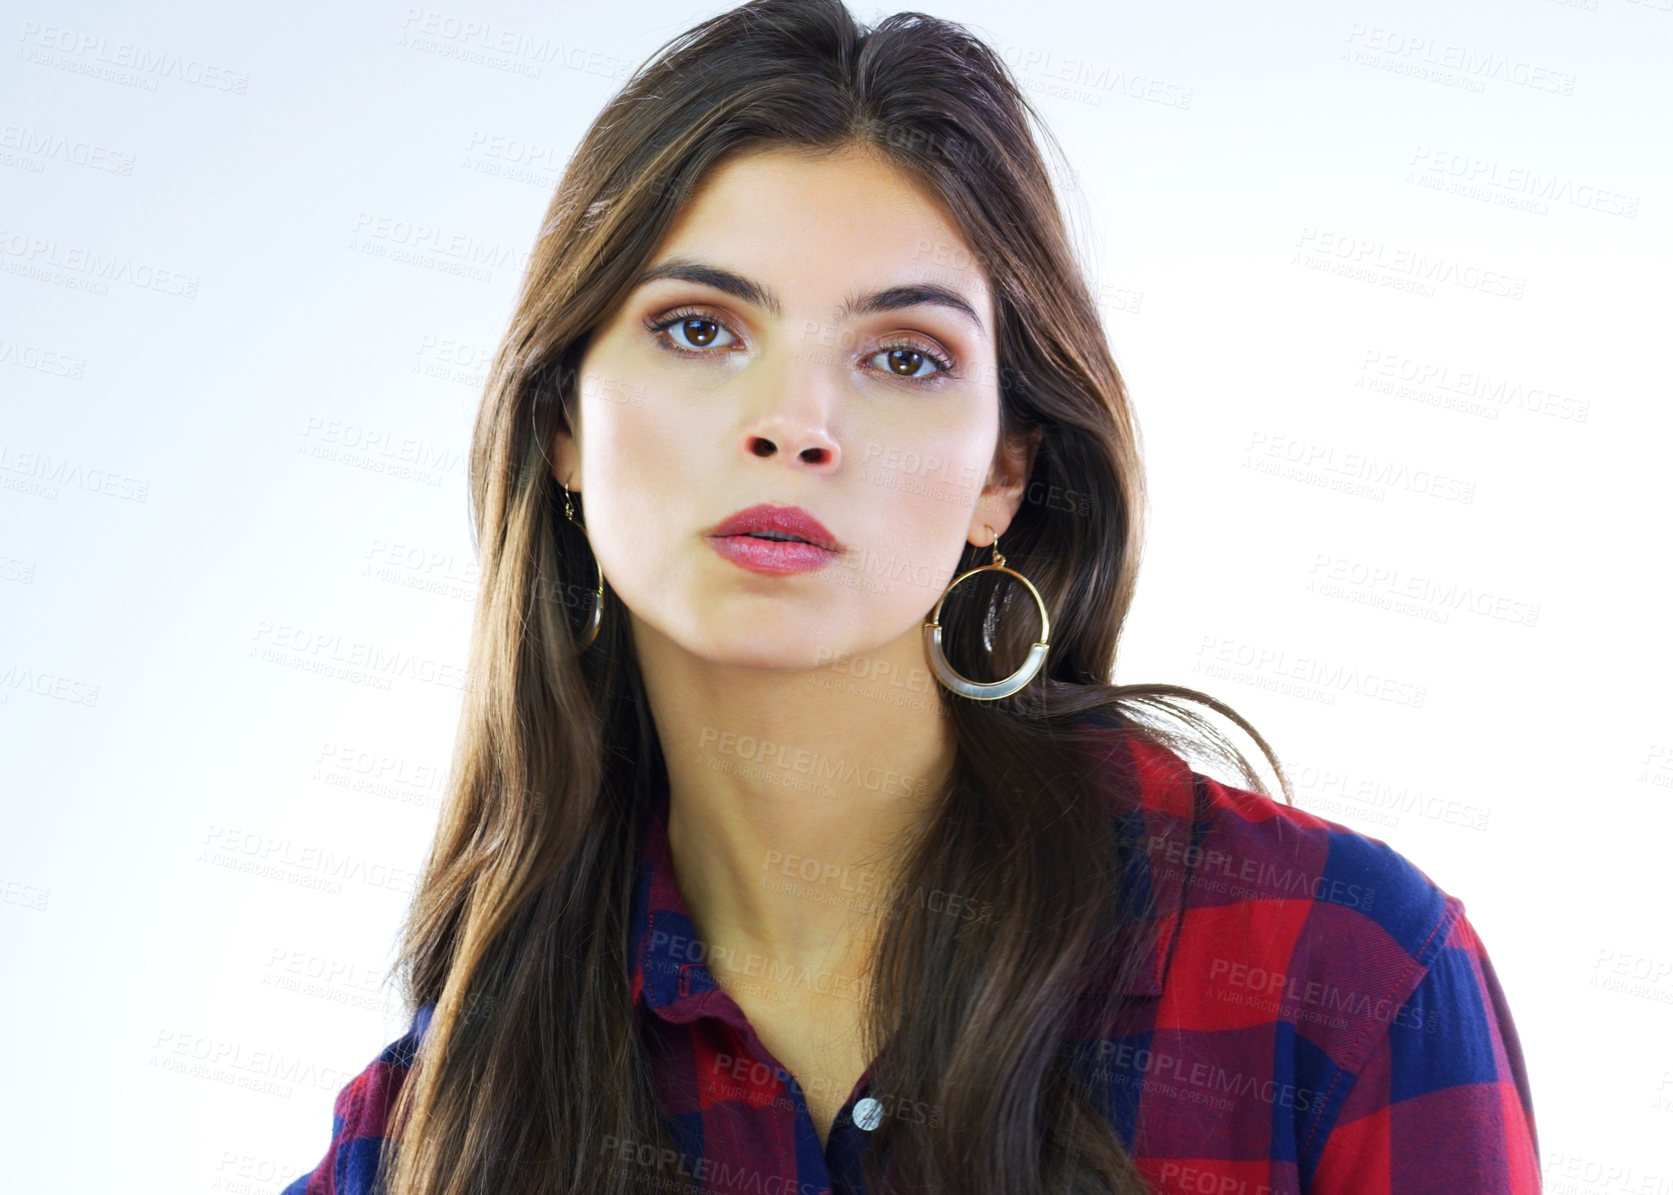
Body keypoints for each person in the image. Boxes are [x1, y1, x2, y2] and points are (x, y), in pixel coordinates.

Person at [282, 1, 1540, 1192]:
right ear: (563, 424)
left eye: (901, 356)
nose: (791, 424)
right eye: (699, 329)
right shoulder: (433, 1130)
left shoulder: (1343, 975)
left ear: (1004, 472)